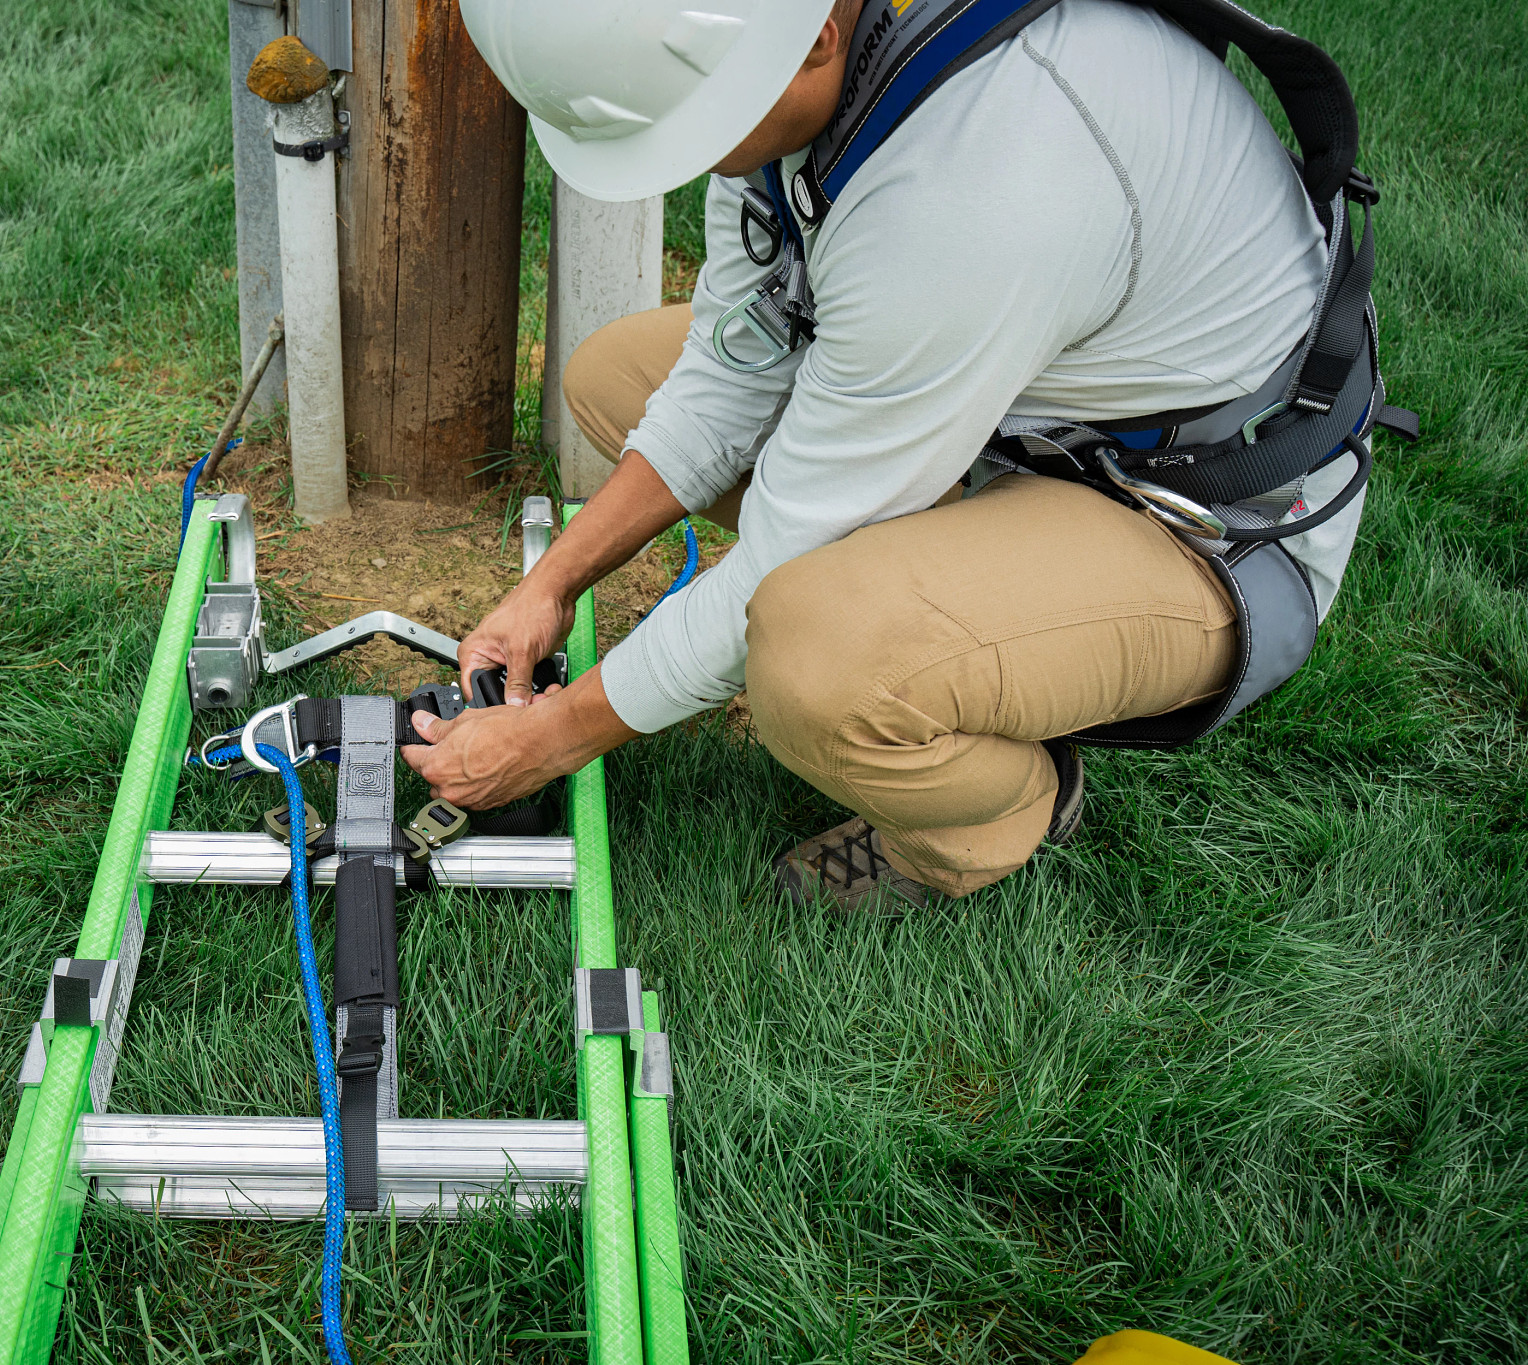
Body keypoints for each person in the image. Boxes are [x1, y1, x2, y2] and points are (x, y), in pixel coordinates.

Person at [403, 0, 1395, 907]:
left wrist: (547, 741)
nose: (694, 163)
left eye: (695, 132)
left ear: (818, 40)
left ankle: (1000, 814)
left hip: (1196, 525)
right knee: (618, 377)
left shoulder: (974, 195)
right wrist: (555, 583)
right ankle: (943, 621)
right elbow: (726, 371)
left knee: (810, 650)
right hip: (1029, 418)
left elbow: (780, 556)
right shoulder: (786, 75)